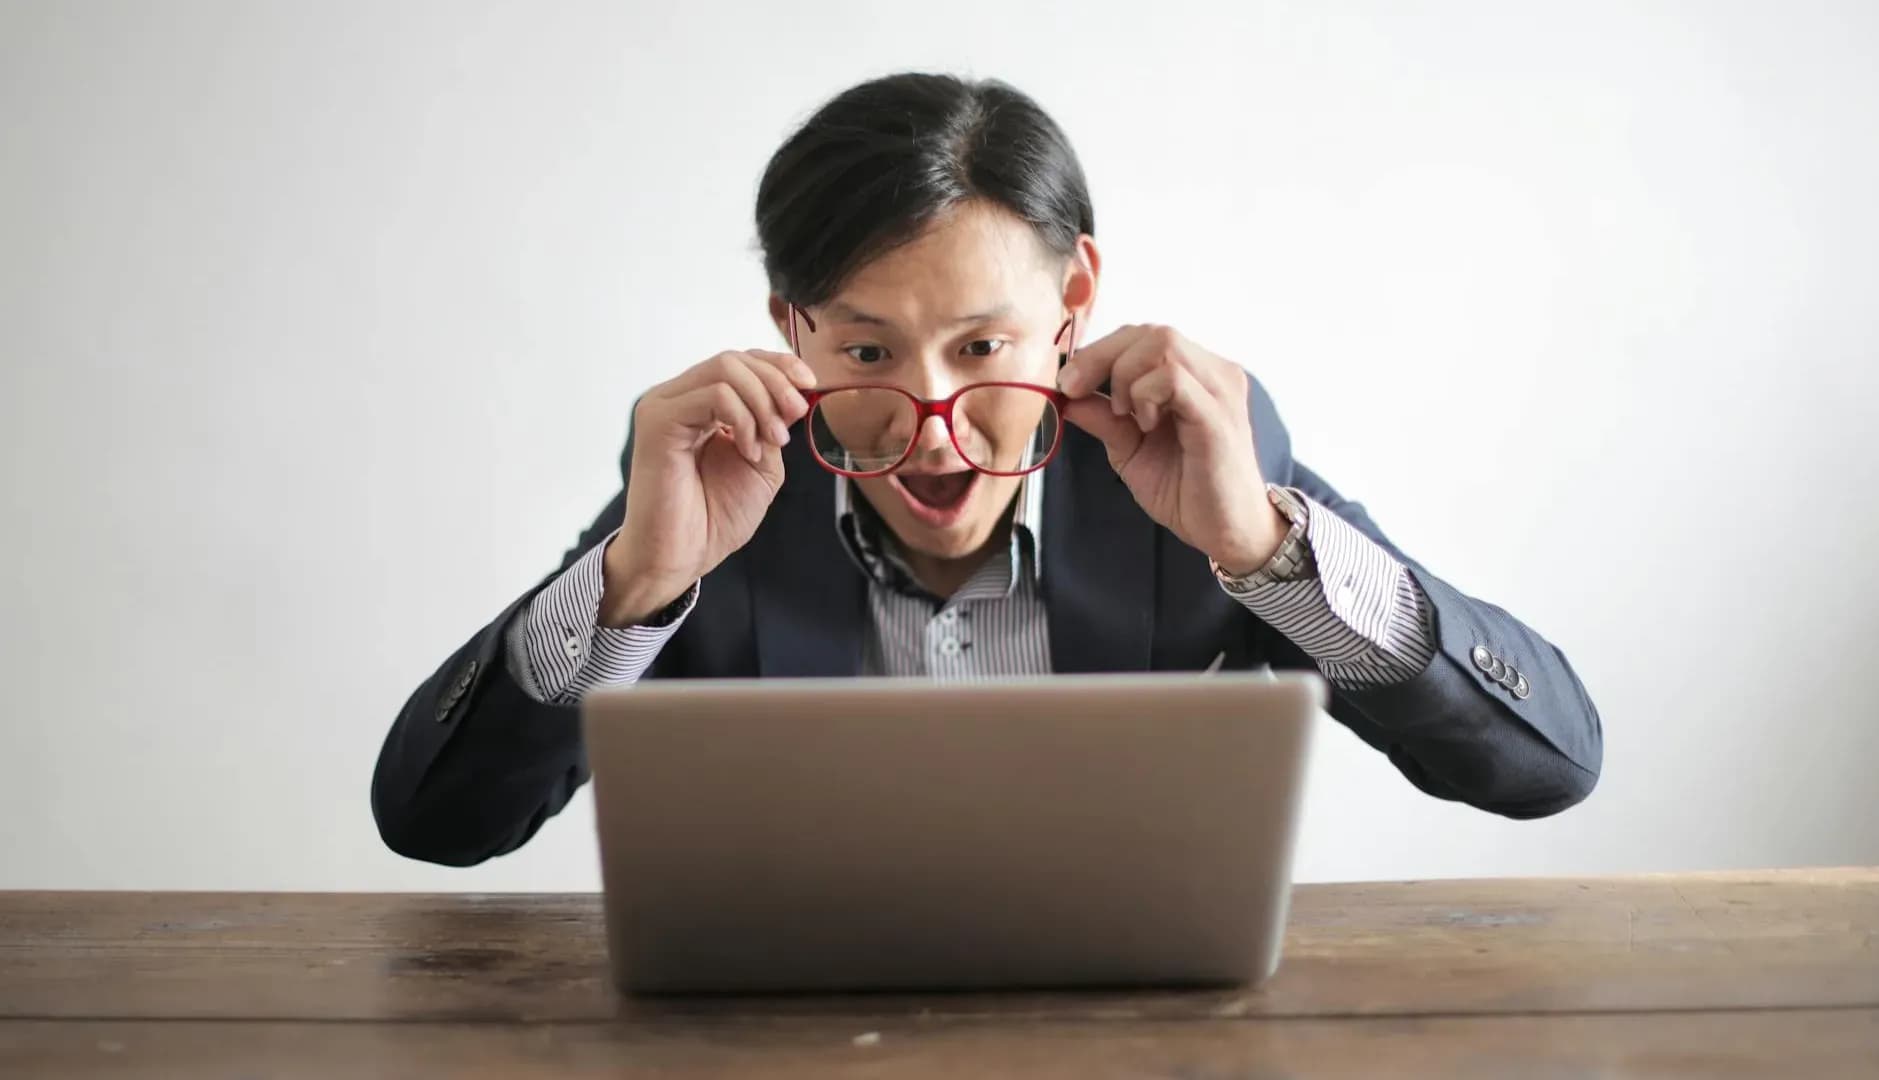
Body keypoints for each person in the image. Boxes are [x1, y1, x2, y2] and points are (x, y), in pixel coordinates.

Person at [372, 73, 1603, 868]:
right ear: (790, 327)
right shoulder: (721, 487)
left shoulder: (1197, 461)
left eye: (982, 347)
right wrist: (634, 585)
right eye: (865, 349)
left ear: (1073, 304)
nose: (934, 422)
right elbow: (435, 823)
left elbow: (1547, 767)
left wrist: (1265, 554)